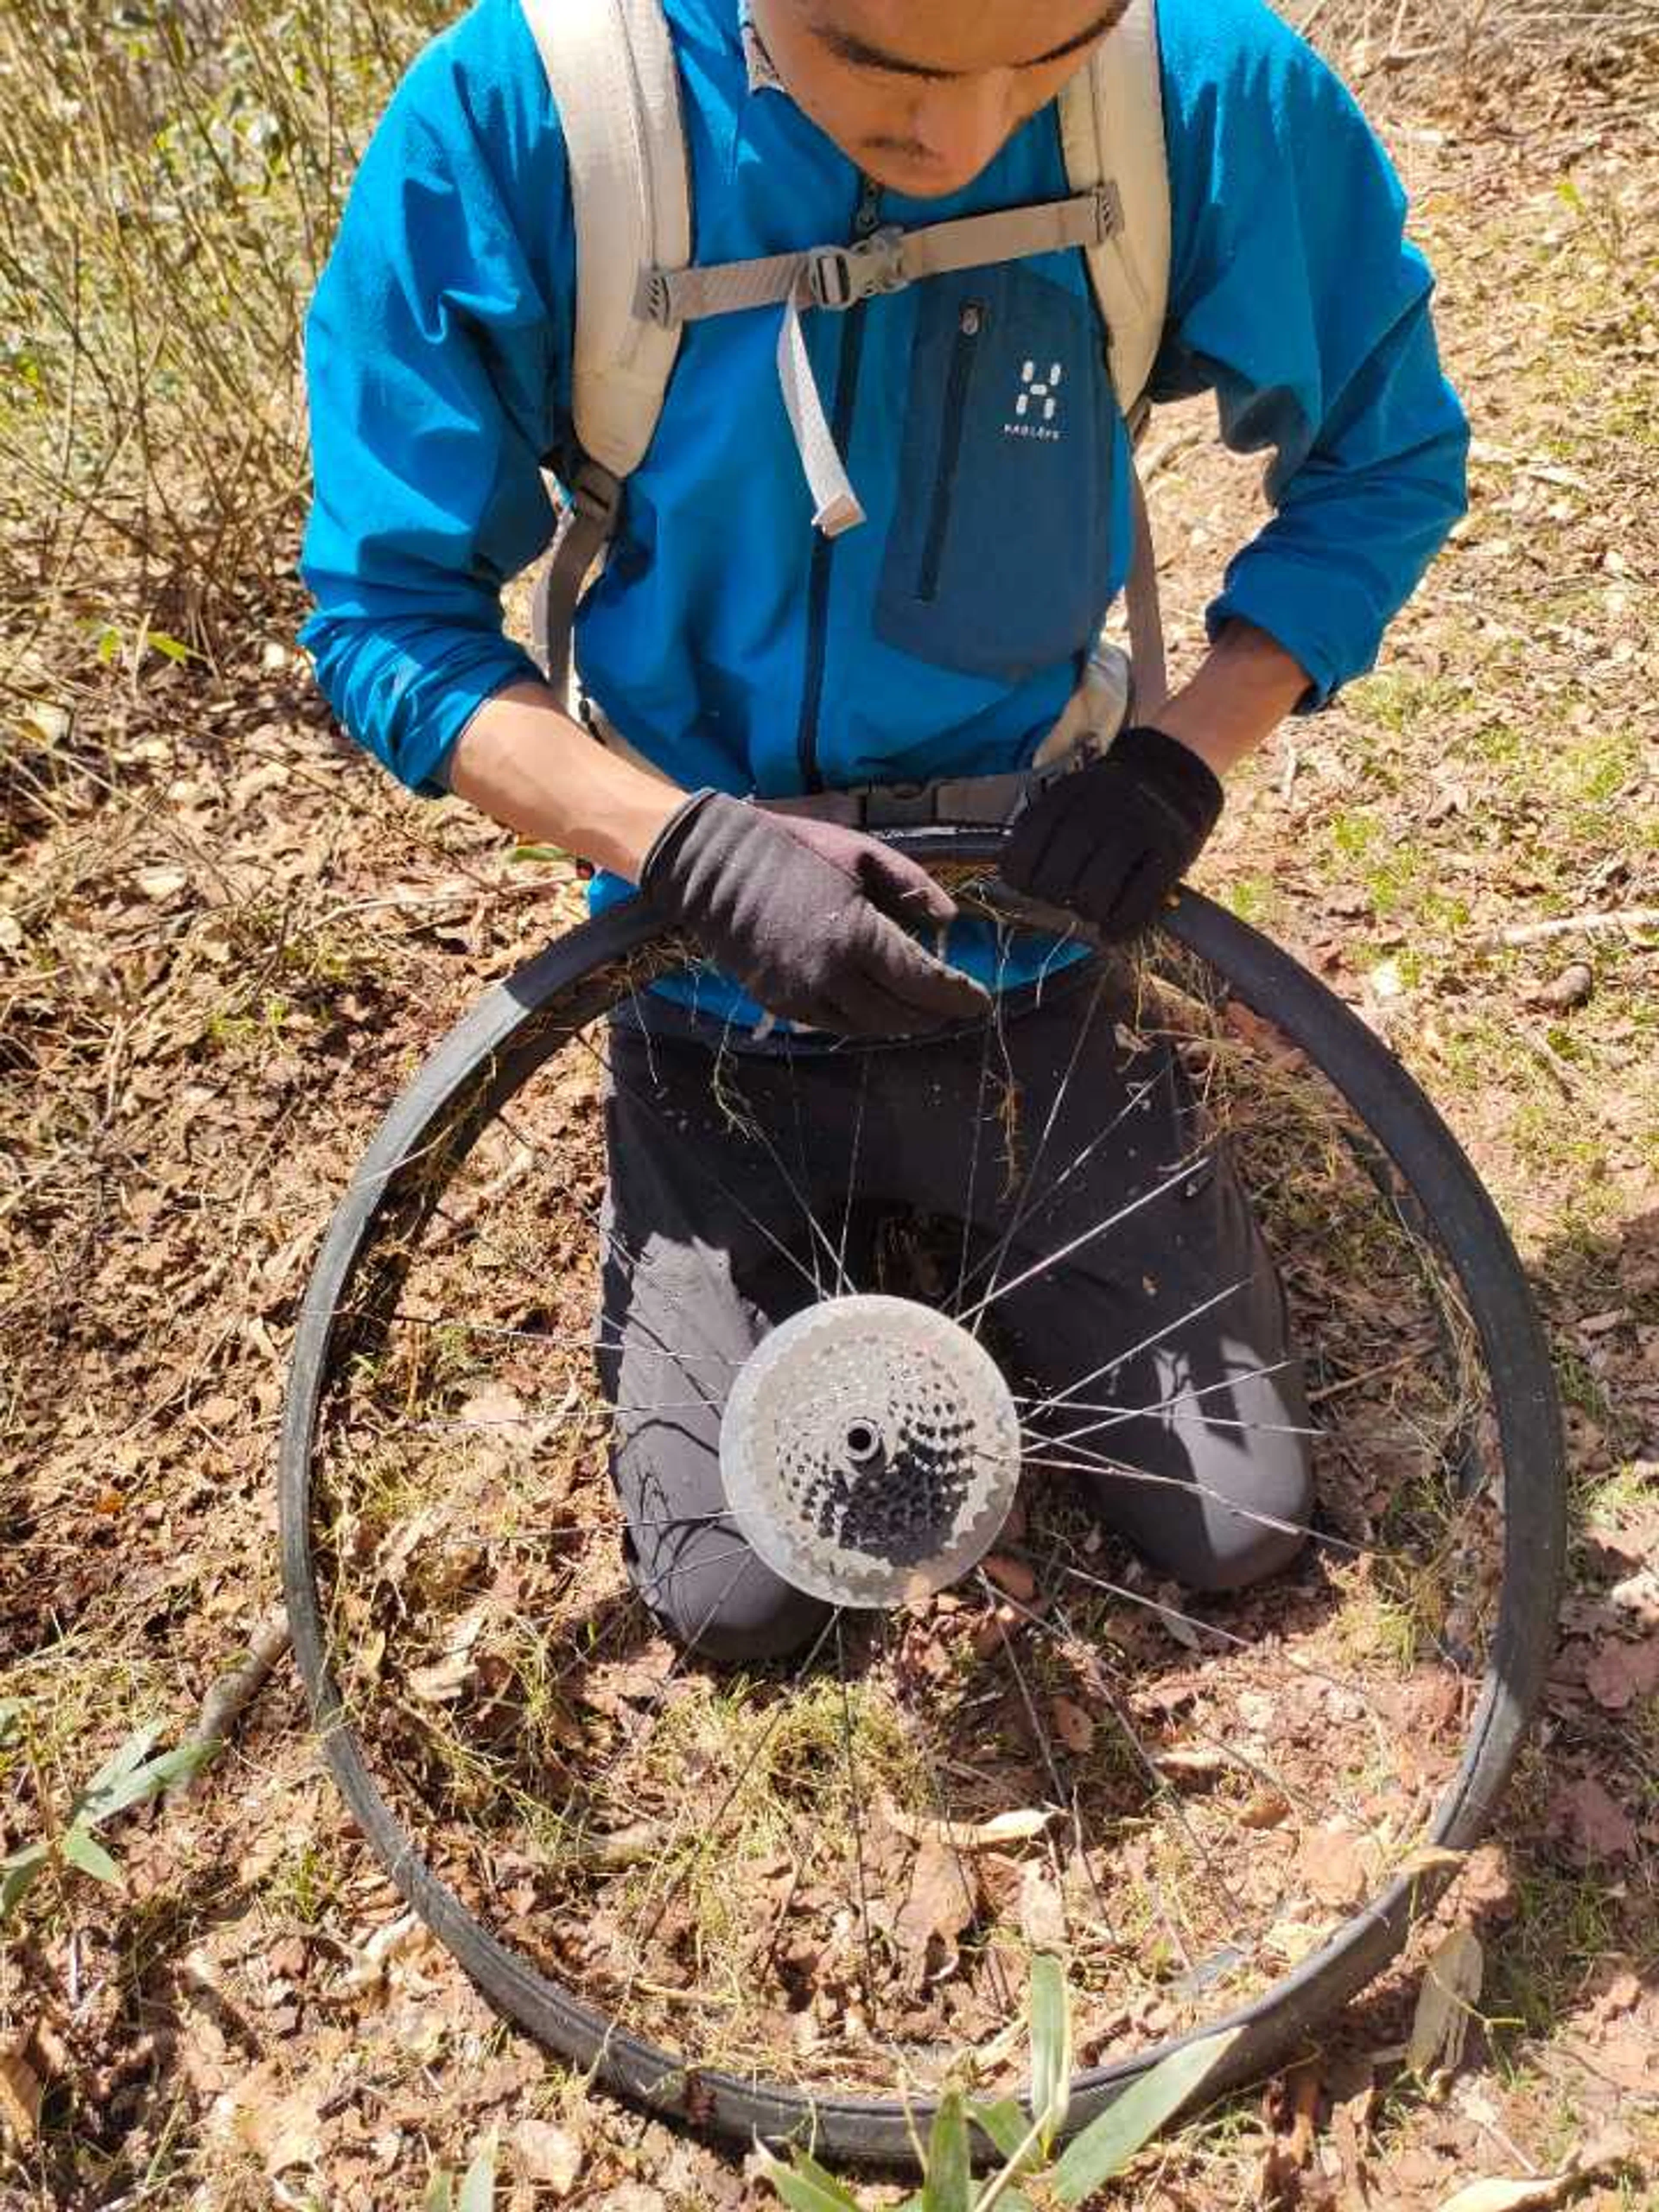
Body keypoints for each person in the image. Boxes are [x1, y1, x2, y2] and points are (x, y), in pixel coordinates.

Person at [300, 0, 1469, 1661]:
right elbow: (385, 609)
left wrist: (1178, 762)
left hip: (1036, 961)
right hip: (712, 986)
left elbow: (1388, 452)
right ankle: (723, 1157)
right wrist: (686, 853)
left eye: (1041, 65)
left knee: (1240, 1520)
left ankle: (1032, 1121)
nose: (967, 137)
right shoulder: (541, 114)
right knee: (736, 1593)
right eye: (888, 69)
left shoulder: (1193, 90)